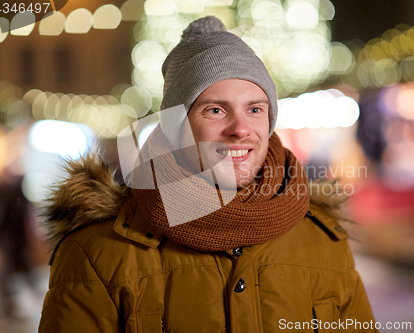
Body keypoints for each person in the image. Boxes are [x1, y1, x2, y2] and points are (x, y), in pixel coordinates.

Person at [39, 16, 377, 332]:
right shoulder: (97, 252)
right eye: (215, 110)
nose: (240, 129)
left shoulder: (323, 241)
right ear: (175, 126)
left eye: (255, 109)